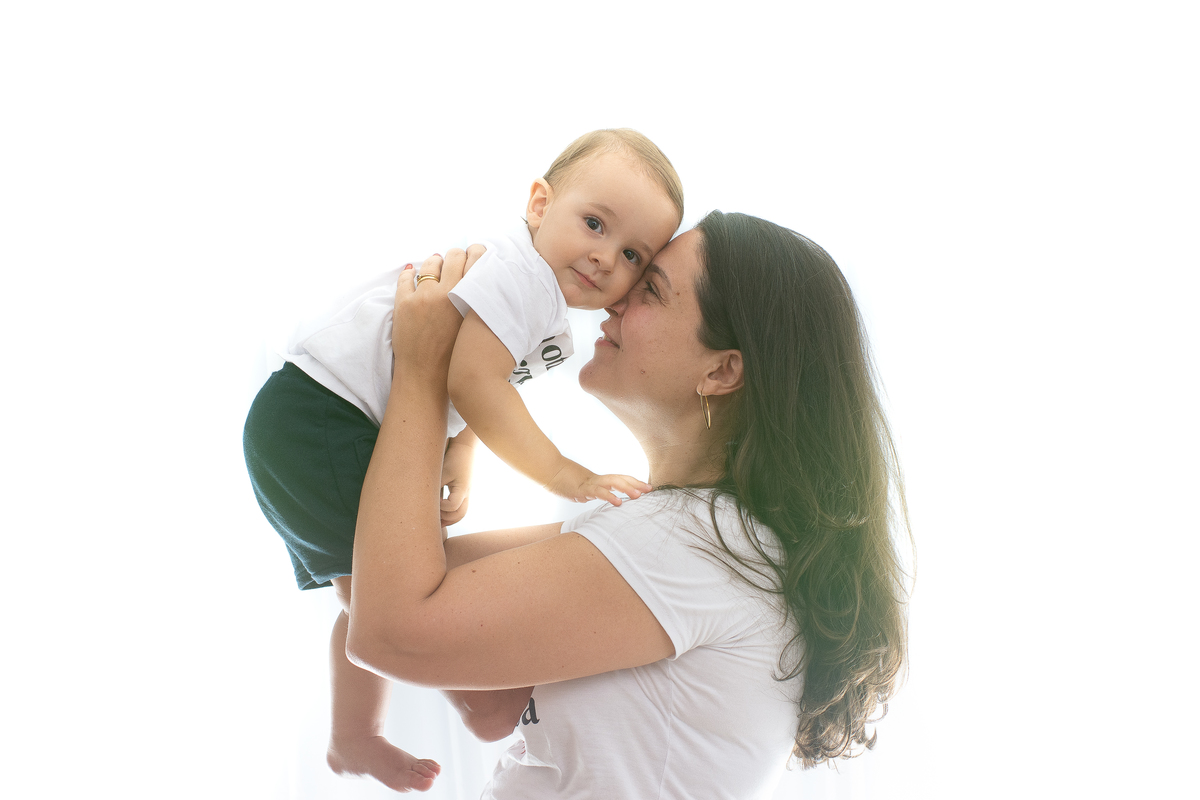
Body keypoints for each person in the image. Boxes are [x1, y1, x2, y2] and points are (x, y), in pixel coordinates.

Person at [347, 210, 912, 798]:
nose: (613, 301)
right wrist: (455, 420)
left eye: (650, 291)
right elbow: (391, 594)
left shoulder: (695, 544)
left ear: (722, 370)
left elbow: (389, 630)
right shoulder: (683, 532)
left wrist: (423, 366)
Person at [242, 129, 684, 791]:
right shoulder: (522, 276)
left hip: (318, 417)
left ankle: (369, 730)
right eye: (593, 224)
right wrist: (569, 474)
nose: (602, 257)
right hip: (325, 416)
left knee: (370, 594)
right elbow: (475, 382)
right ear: (539, 203)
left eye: (630, 255)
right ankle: (427, 712)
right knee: (386, 601)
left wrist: (462, 448)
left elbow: (476, 377)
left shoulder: (540, 302)